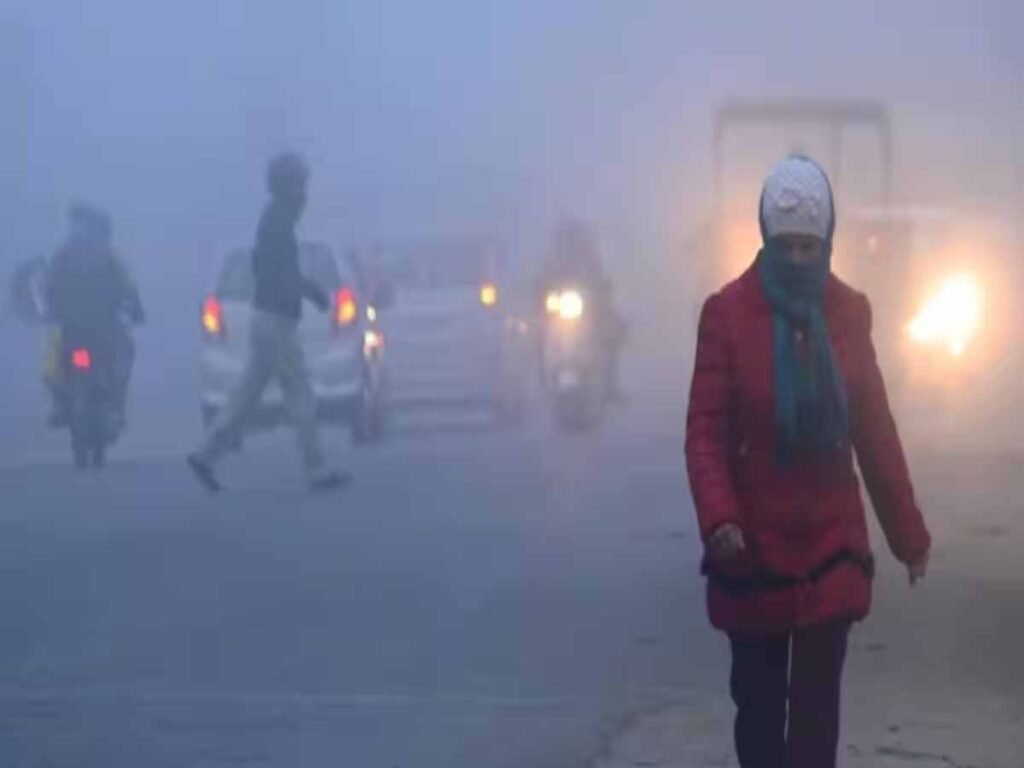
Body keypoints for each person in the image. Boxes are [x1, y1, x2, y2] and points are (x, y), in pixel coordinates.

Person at [685, 156, 931, 768]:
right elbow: (705, 433)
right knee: (760, 717)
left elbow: (874, 432)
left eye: (808, 248)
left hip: (830, 546)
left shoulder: (848, 314)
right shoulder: (727, 315)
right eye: (787, 247)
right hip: (752, 548)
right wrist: (720, 519)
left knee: (816, 728)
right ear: (767, 240)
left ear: (827, 244)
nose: (798, 260)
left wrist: (909, 537)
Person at [187, 152, 347, 493]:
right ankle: (316, 468)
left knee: (246, 396)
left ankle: (206, 454)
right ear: (288, 186)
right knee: (300, 394)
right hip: (276, 322)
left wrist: (305, 290)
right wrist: (312, 292)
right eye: (300, 184)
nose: (305, 193)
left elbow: (265, 268)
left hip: (267, 319)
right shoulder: (278, 224)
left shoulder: (274, 221)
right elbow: (281, 274)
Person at [44, 203, 144, 429]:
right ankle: (114, 407)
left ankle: (63, 404)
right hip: (96, 327)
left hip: (79, 327)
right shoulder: (105, 256)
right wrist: (136, 310)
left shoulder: (65, 254)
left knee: (59, 356)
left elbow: (48, 287)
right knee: (123, 354)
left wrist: (51, 310)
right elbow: (128, 287)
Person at [534, 218, 626, 398]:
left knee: (612, 331)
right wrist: (541, 298)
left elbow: (603, 284)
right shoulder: (553, 263)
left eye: (575, 238)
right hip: (556, 316)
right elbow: (540, 285)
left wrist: (601, 297)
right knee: (537, 332)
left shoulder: (590, 261)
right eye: (567, 239)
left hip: (589, 314)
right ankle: (542, 375)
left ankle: (611, 382)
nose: (571, 243)